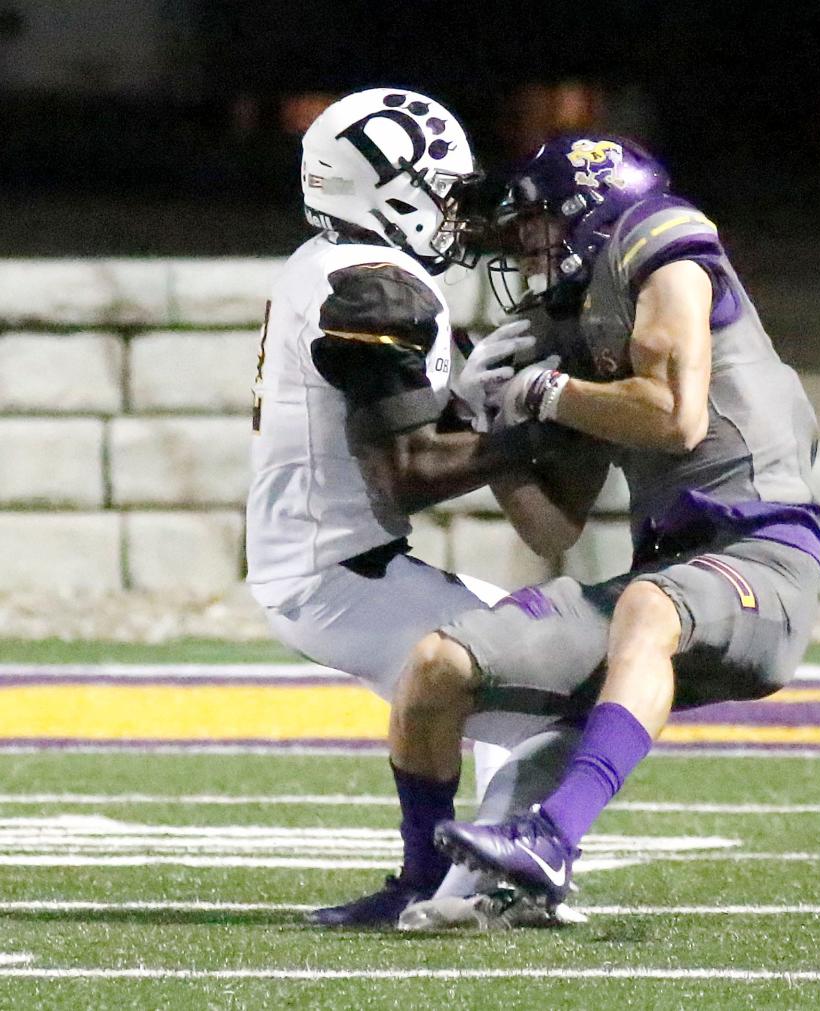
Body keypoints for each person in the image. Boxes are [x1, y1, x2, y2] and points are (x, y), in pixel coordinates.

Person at [385, 133, 820, 917]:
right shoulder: (586, 333)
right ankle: (421, 883)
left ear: (590, 211)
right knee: (436, 666)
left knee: (648, 608)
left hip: (763, 561)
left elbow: (676, 416)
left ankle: (551, 842)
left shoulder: (662, 243)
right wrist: (500, 435)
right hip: (662, 580)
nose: (526, 251)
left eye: (536, 228)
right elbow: (552, 528)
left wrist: (545, 390)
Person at [244, 88, 578, 927]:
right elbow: (408, 474)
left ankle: (445, 878)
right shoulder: (373, 292)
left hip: (337, 564)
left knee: (521, 687)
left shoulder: (336, 267)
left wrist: (477, 401)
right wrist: (534, 418)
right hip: (339, 577)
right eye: (443, 190)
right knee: (563, 694)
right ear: (388, 189)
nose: (456, 211)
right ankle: (460, 889)